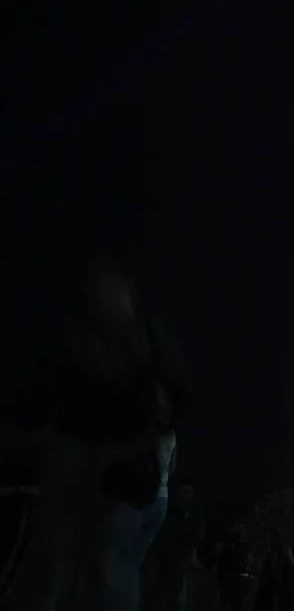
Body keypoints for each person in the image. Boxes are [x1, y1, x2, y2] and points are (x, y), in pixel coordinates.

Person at [5, 257, 189, 611]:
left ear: (128, 290)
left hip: (118, 456)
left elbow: (180, 392)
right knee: (52, 552)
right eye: (97, 287)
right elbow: (45, 389)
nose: (103, 295)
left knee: (105, 560)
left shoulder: (149, 336)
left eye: (111, 285)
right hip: (74, 450)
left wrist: (153, 433)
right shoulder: (77, 336)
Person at [142, 478, 205, 610]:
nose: (183, 495)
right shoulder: (174, 510)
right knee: (162, 591)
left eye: (186, 492)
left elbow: (196, 536)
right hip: (166, 556)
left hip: (177, 557)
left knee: (171, 592)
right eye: (182, 492)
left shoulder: (193, 513)